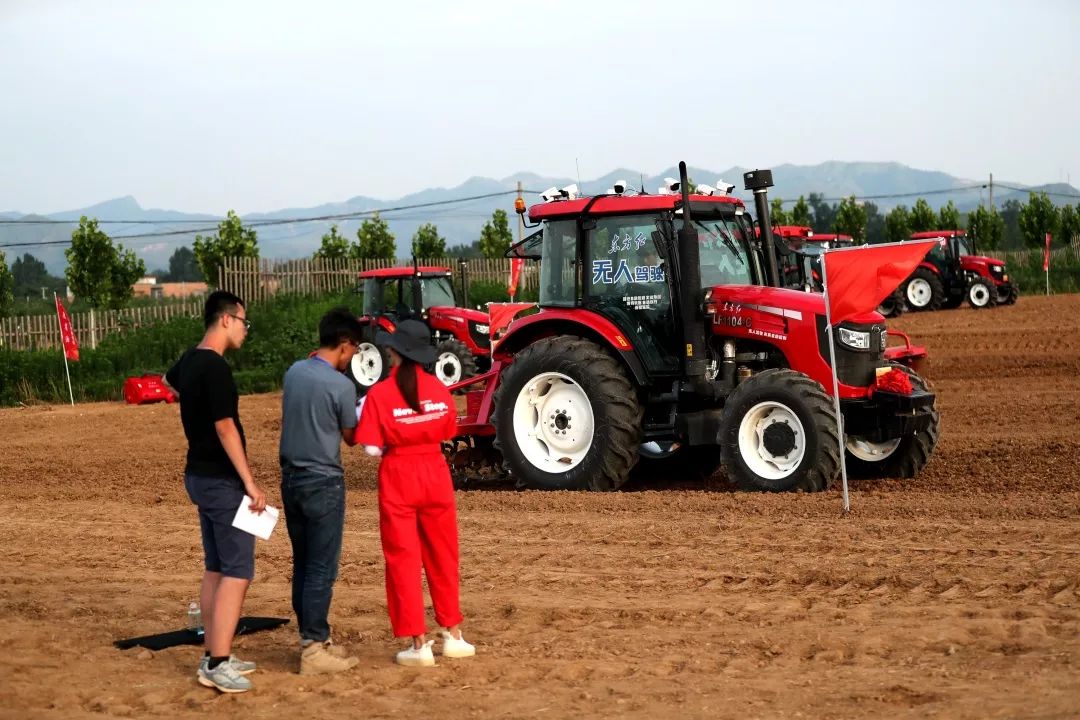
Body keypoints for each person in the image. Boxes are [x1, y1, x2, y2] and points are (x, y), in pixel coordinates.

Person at [354, 320, 475, 667]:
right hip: (435, 474)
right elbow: (450, 428)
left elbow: (371, 448)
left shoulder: (379, 394)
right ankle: (453, 634)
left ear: (394, 353)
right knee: (443, 556)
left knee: (403, 561)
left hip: (398, 476)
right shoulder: (438, 388)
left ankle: (418, 644)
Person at [165, 290, 267, 694]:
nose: (245, 330)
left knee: (216, 567)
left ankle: (215, 649)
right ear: (226, 319)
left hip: (198, 475)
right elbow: (225, 427)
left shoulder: (190, 360)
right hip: (222, 481)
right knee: (239, 570)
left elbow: (168, 381)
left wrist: (193, 413)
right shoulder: (215, 368)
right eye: (244, 322)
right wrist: (249, 482)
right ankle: (217, 663)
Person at [279, 307, 364, 675]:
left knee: (302, 564)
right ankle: (314, 650)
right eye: (355, 351)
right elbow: (351, 439)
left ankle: (313, 638)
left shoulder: (295, 372)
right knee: (321, 569)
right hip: (323, 482)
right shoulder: (342, 386)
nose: (354, 358)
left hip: (291, 480)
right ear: (344, 345)